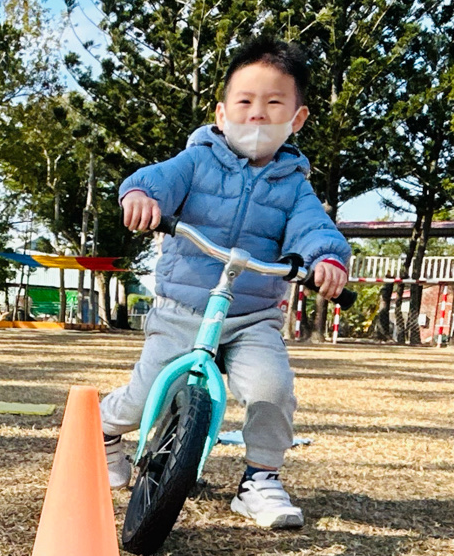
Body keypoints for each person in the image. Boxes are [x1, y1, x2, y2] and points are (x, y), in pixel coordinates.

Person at [101, 36, 351, 529]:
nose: (257, 114)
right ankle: (105, 431)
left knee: (271, 388)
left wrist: (325, 258)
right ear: (221, 112)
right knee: (145, 393)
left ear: (297, 118)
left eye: (274, 103)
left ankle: (260, 479)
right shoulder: (197, 161)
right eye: (244, 101)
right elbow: (158, 179)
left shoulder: (293, 185)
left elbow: (314, 229)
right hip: (182, 309)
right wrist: (142, 196)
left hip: (252, 315)